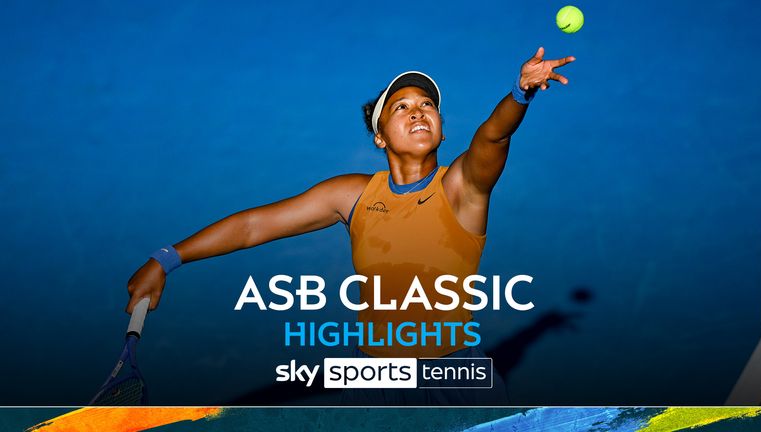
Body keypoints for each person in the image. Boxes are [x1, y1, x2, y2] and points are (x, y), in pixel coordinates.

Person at [126, 47, 575, 405]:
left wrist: (521, 93)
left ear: (441, 132)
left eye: (427, 106)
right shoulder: (353, 195)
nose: (418, 112)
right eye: (402, 107)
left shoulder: (462, 186)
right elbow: (252, 227)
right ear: (379, 136)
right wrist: (168, 259)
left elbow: (493, 135)